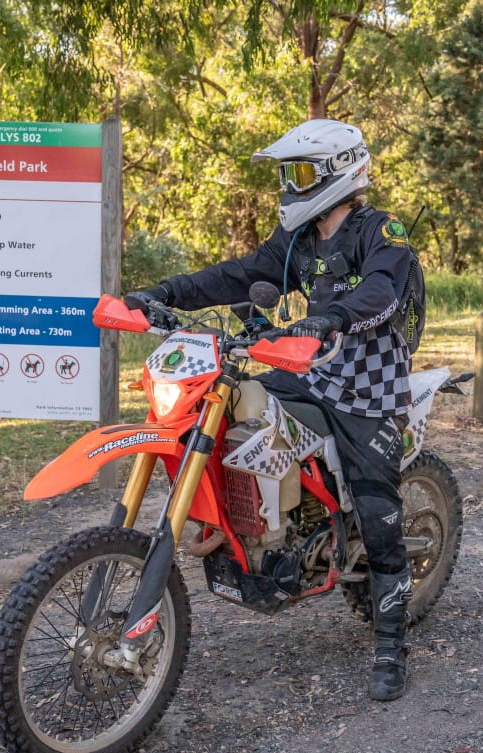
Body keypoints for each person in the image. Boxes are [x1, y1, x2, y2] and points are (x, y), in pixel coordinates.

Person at [126, 119, 418, 700]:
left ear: (341, 171)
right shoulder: (300, 239)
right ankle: (250, 529)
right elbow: (236, 274)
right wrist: (163, 294)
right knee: (238, 414)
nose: (291, 184)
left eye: (302, 173)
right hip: (305, 371)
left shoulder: (380, 230)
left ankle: (391, 639)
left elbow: (381, 289)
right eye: (288, 173)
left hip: (368, 388)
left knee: (380, 511)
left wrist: (328, 318)